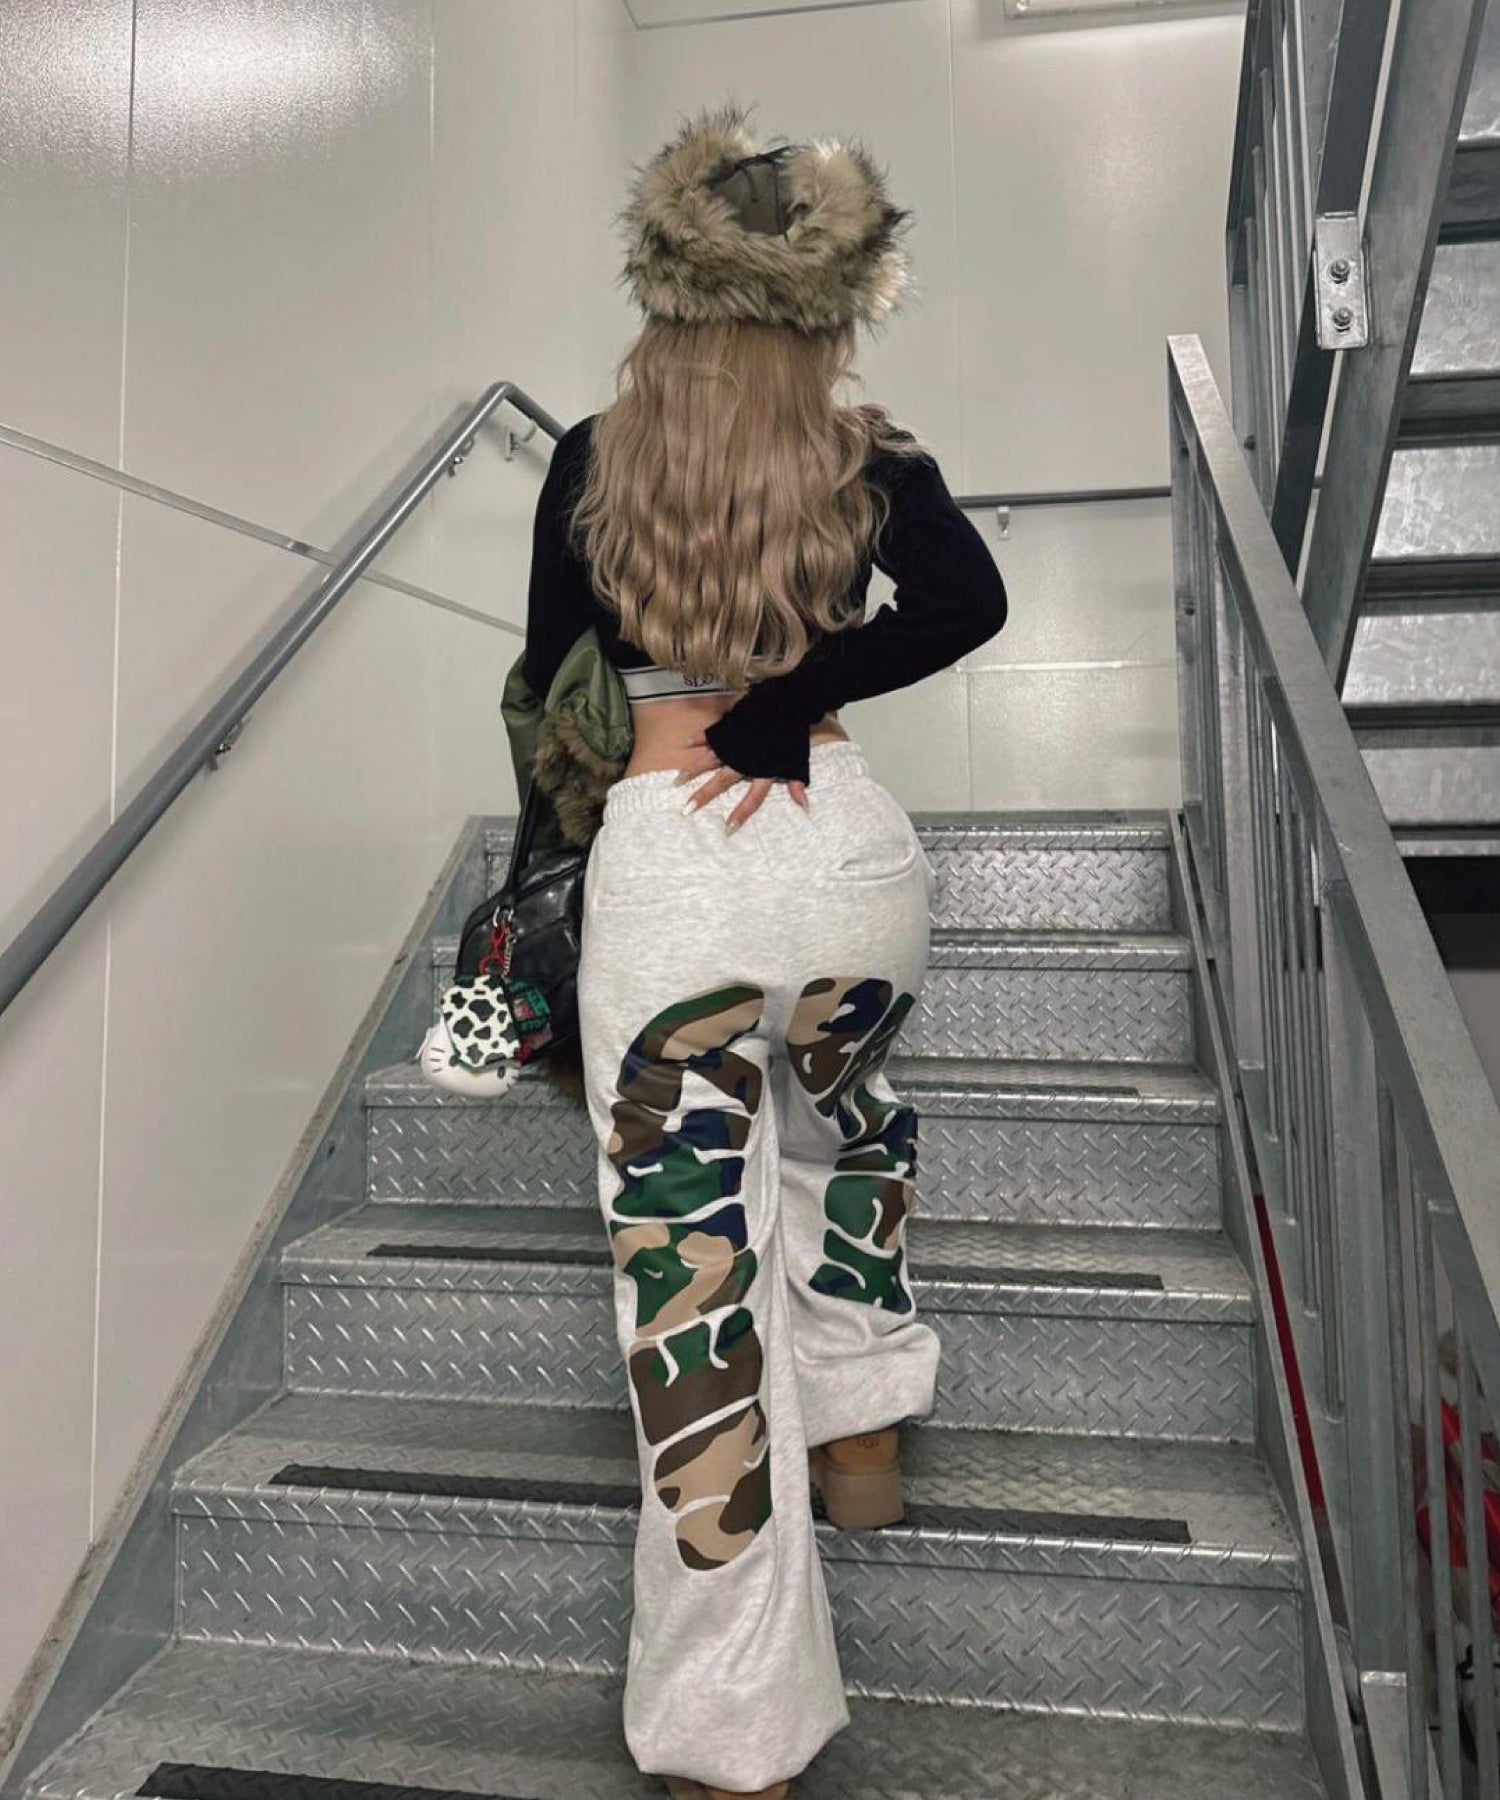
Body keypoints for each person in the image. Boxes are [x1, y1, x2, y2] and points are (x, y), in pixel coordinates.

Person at [519, 100, 1008, 1800]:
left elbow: (551, 699)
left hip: (675, 867)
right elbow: (970, 608)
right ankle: (864, 1433)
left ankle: (736, 1735)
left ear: (665, 292)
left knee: (692, 1276)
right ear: (828, 305)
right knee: (845, 1129)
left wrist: (543, 891)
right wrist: (801, 697)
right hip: (852, 862)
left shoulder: (595, 459)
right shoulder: (872, 455)